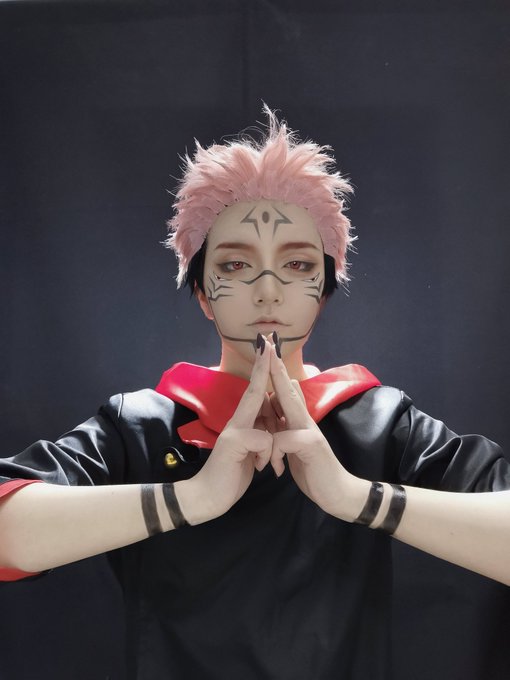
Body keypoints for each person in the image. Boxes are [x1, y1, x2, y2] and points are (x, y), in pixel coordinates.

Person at [0, 107, 509, 680]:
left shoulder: (380, 421)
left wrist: (355, 497)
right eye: (237, 264)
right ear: (202, 292)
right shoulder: (139, 425)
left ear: (325, 286)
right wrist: (189, 499)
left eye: (297, 264)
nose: (268, 290)